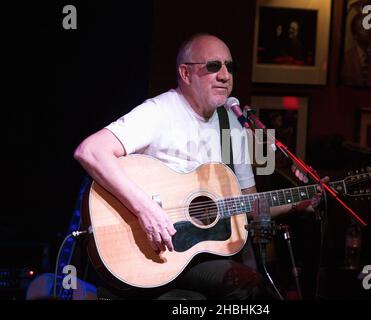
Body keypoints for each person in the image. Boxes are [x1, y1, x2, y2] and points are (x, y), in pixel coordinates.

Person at [74, 33, 325, 300]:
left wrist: (301, 200)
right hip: (150, 252)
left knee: (252, 286)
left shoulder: (233, 125)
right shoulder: (159, 112)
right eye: (214, 66)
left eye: (230, 67)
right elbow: (90, 151)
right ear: (185, 73)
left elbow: (249, 204)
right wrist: (145, 209)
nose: (225, 75)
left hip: (196, 256)